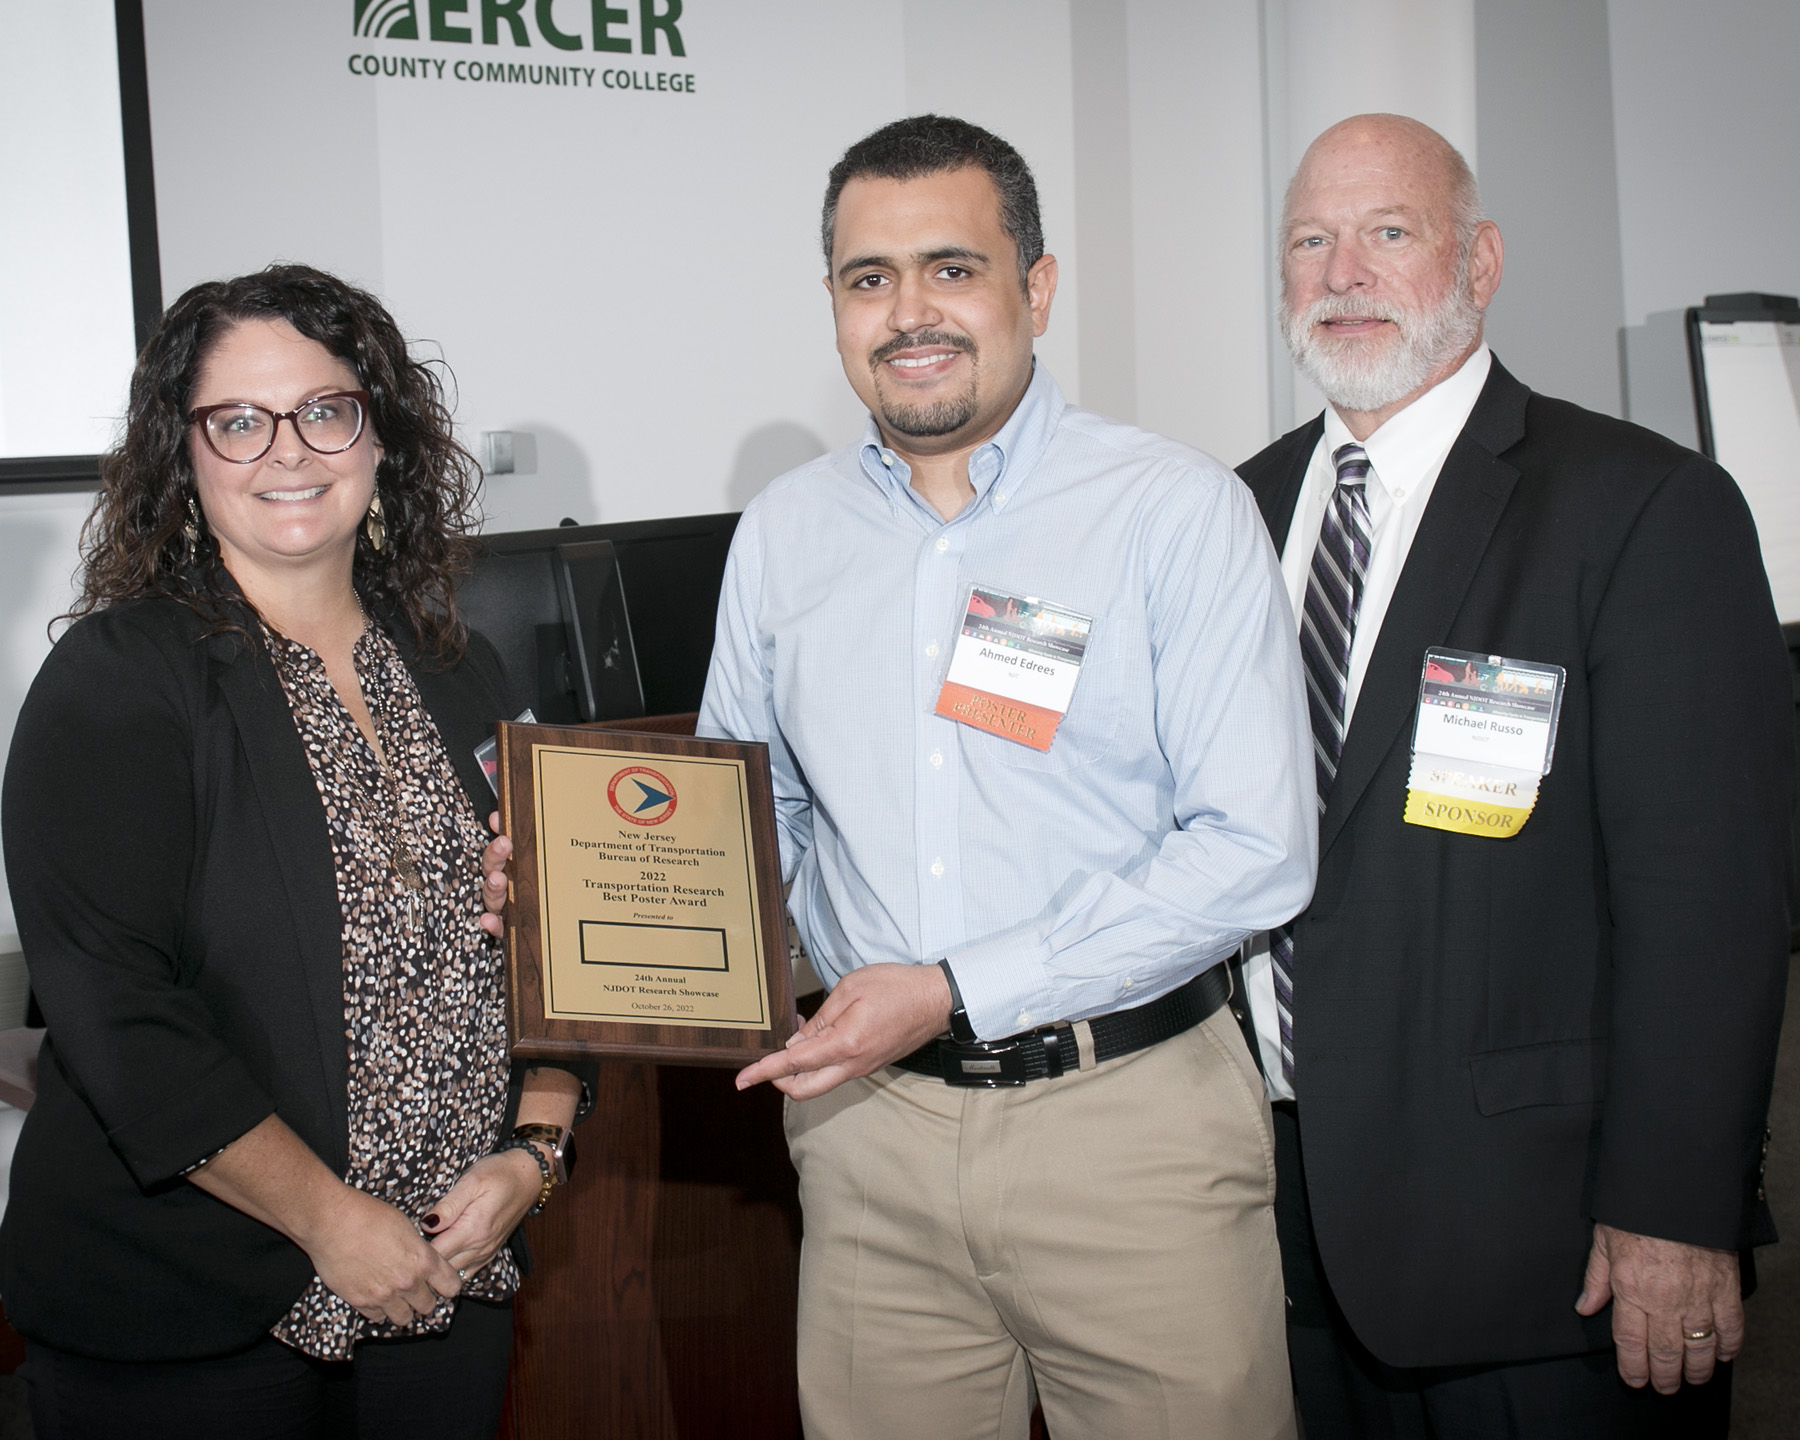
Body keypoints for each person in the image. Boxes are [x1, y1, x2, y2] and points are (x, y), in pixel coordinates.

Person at [699, 114, 1315, 1439]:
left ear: (1036, 287)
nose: (908, 312)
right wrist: (597, 898)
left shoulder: (1173, 511)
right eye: (870, 279)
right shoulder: (782, 537)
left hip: (1129, 1130)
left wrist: (958, 990)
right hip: (868, 1141)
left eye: (951, 268)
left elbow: (1254, 849)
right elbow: (747, 817)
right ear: (834, 306)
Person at [1236, 113, 1791, 1438]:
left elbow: (1708, 901)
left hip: (1547, 1254)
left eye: (1388, 233)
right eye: (1310, 240)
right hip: (1273, 1227)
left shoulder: (1639, 507)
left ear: (1479, 264)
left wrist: (1671, 1212)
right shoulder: (1234, 512)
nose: (1342, 274)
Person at [0, 264, 591, 1439]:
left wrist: (536, 1150)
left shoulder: (461, 669)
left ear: (381, 438)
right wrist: (331, 1220)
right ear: (186, 454)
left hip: (447, 1281)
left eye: (327, 410)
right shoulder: (121, 678)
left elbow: (549, 940)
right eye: (239, 420)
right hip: (197, 1309)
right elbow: (118, 1012)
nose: (290, 450)